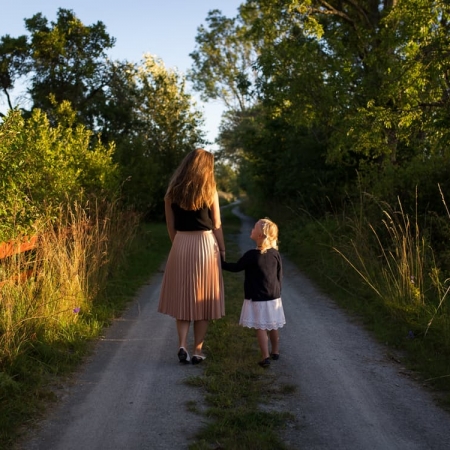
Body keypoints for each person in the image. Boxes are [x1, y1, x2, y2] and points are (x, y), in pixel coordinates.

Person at [158, 148, 226, 365]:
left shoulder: (172, 192)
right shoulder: (210, 190)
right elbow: (216, 225)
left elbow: (170, 226)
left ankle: (181, 346)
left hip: (180, 243)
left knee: (183, 298)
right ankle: (197, 350)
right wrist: (222, 250)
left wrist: (178, 245)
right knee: (203, 299)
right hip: (205, 244)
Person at [221, 218, 285, 368]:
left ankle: (265, 357)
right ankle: (275, 351)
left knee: (261, 327)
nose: (251, 229)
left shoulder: (251, 255)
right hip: (273, 297)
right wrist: (277, 292)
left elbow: (236, 267)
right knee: (273, 325)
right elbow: (279, 275)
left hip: (257, 298)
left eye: (254, 228)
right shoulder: (275, 254)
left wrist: (220, 263)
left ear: (260, 235)